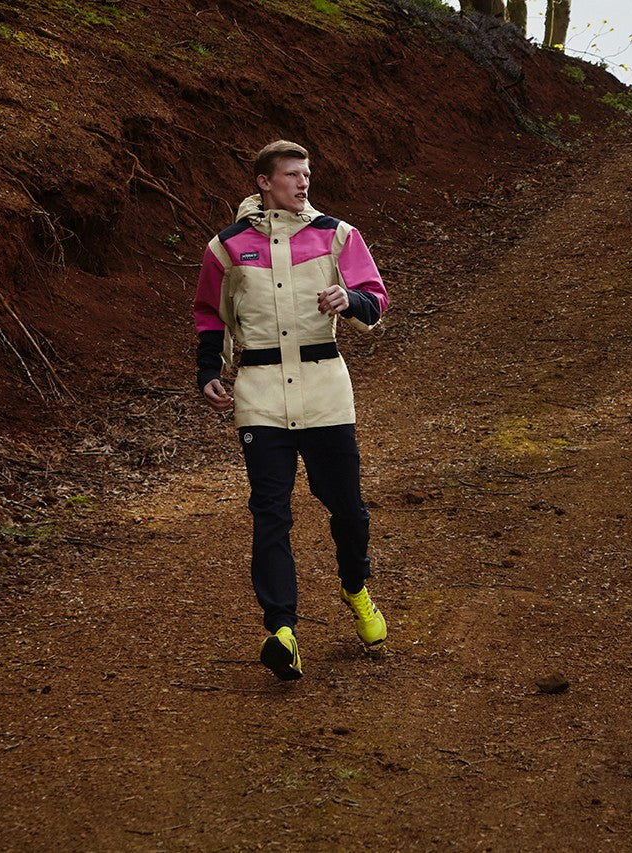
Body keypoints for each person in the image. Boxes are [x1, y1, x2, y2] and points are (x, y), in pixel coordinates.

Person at [192, 139, 389, 681]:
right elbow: (210, 312)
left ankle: (356, 589)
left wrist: (350, 301)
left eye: (307, 175)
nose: (303, 183)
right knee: (270, 512)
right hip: (259, 394)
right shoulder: (227, 247)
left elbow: (376, 298)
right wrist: (209, 371)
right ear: (264, 182)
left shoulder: (337, 234)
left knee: (346, 508)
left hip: (325, 388)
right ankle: (281, 630)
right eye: (292, 175)